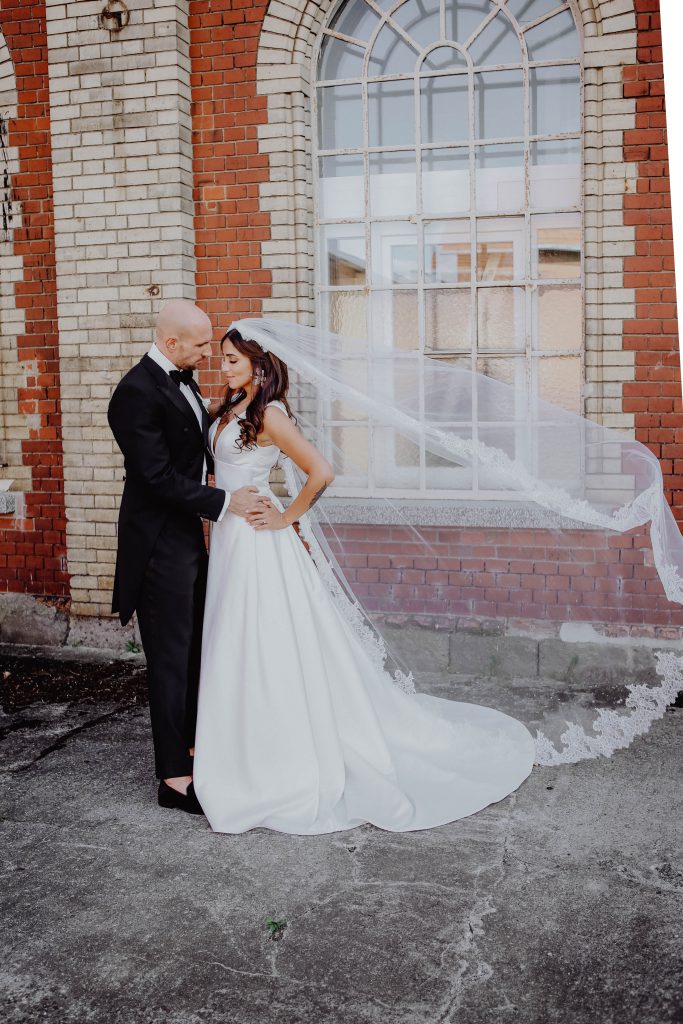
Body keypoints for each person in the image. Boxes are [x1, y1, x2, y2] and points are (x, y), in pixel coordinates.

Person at [192, 326, 536, 834]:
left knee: (263, 636)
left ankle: (274, 747)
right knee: (233, 635)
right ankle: (232, 734)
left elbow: (322, 471)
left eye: (232, 360)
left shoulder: (270, 415)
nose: (223, 367)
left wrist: (286, 517)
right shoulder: (230, 407)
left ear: (259, 366)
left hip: (258, 541)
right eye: (222, 358)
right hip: (229, 538)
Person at [107, 301, 271, 814]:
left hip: (189, 539)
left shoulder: (183, 381)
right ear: (172, 342)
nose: (208, 353)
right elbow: (155, 477)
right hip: (159, 546)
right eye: (201, 345)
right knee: (170, 662)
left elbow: (193, 457)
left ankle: (196, 751)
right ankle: (174, 779)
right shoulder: (135, 392)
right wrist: (224, 502)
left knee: (196, 649)